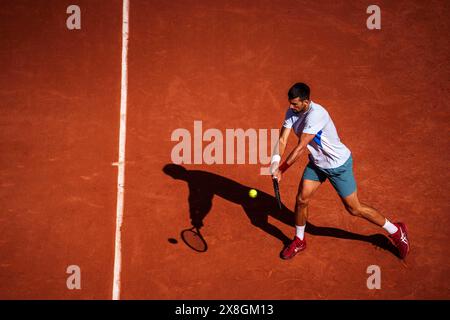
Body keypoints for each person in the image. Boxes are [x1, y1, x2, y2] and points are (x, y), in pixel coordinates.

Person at [270, 83, 410, 260]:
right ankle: (299, 239)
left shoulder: (317, 114)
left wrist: (282, 169)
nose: (291, 107)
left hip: (338, 165)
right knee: (301, 199)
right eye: (290, 103)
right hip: (317, 164)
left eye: (295, 104)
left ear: (306, 102)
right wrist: (275, 162)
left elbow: (300, 147)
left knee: (354, 209)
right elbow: (282, 139)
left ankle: (396, 230)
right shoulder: (292, 112)